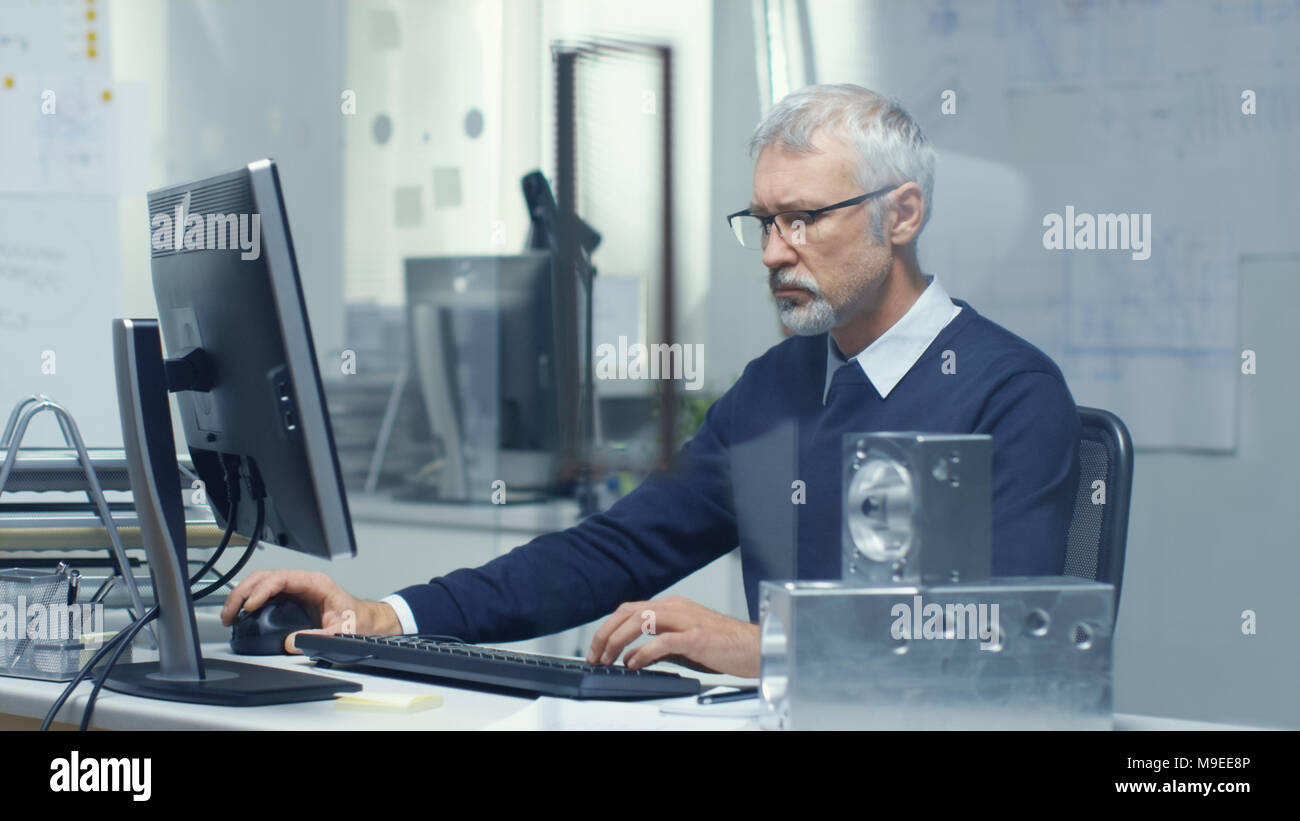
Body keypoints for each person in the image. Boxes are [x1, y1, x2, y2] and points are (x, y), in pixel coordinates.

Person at [222, 83, 1079, 678]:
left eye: (806, 218)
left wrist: (763, 645)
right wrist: (386, 618)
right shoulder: (776, 388)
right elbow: (614, 549)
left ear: (902, 214)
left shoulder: (1010, 393)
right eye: (764, 221)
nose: (777, 251)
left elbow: (997, 642)